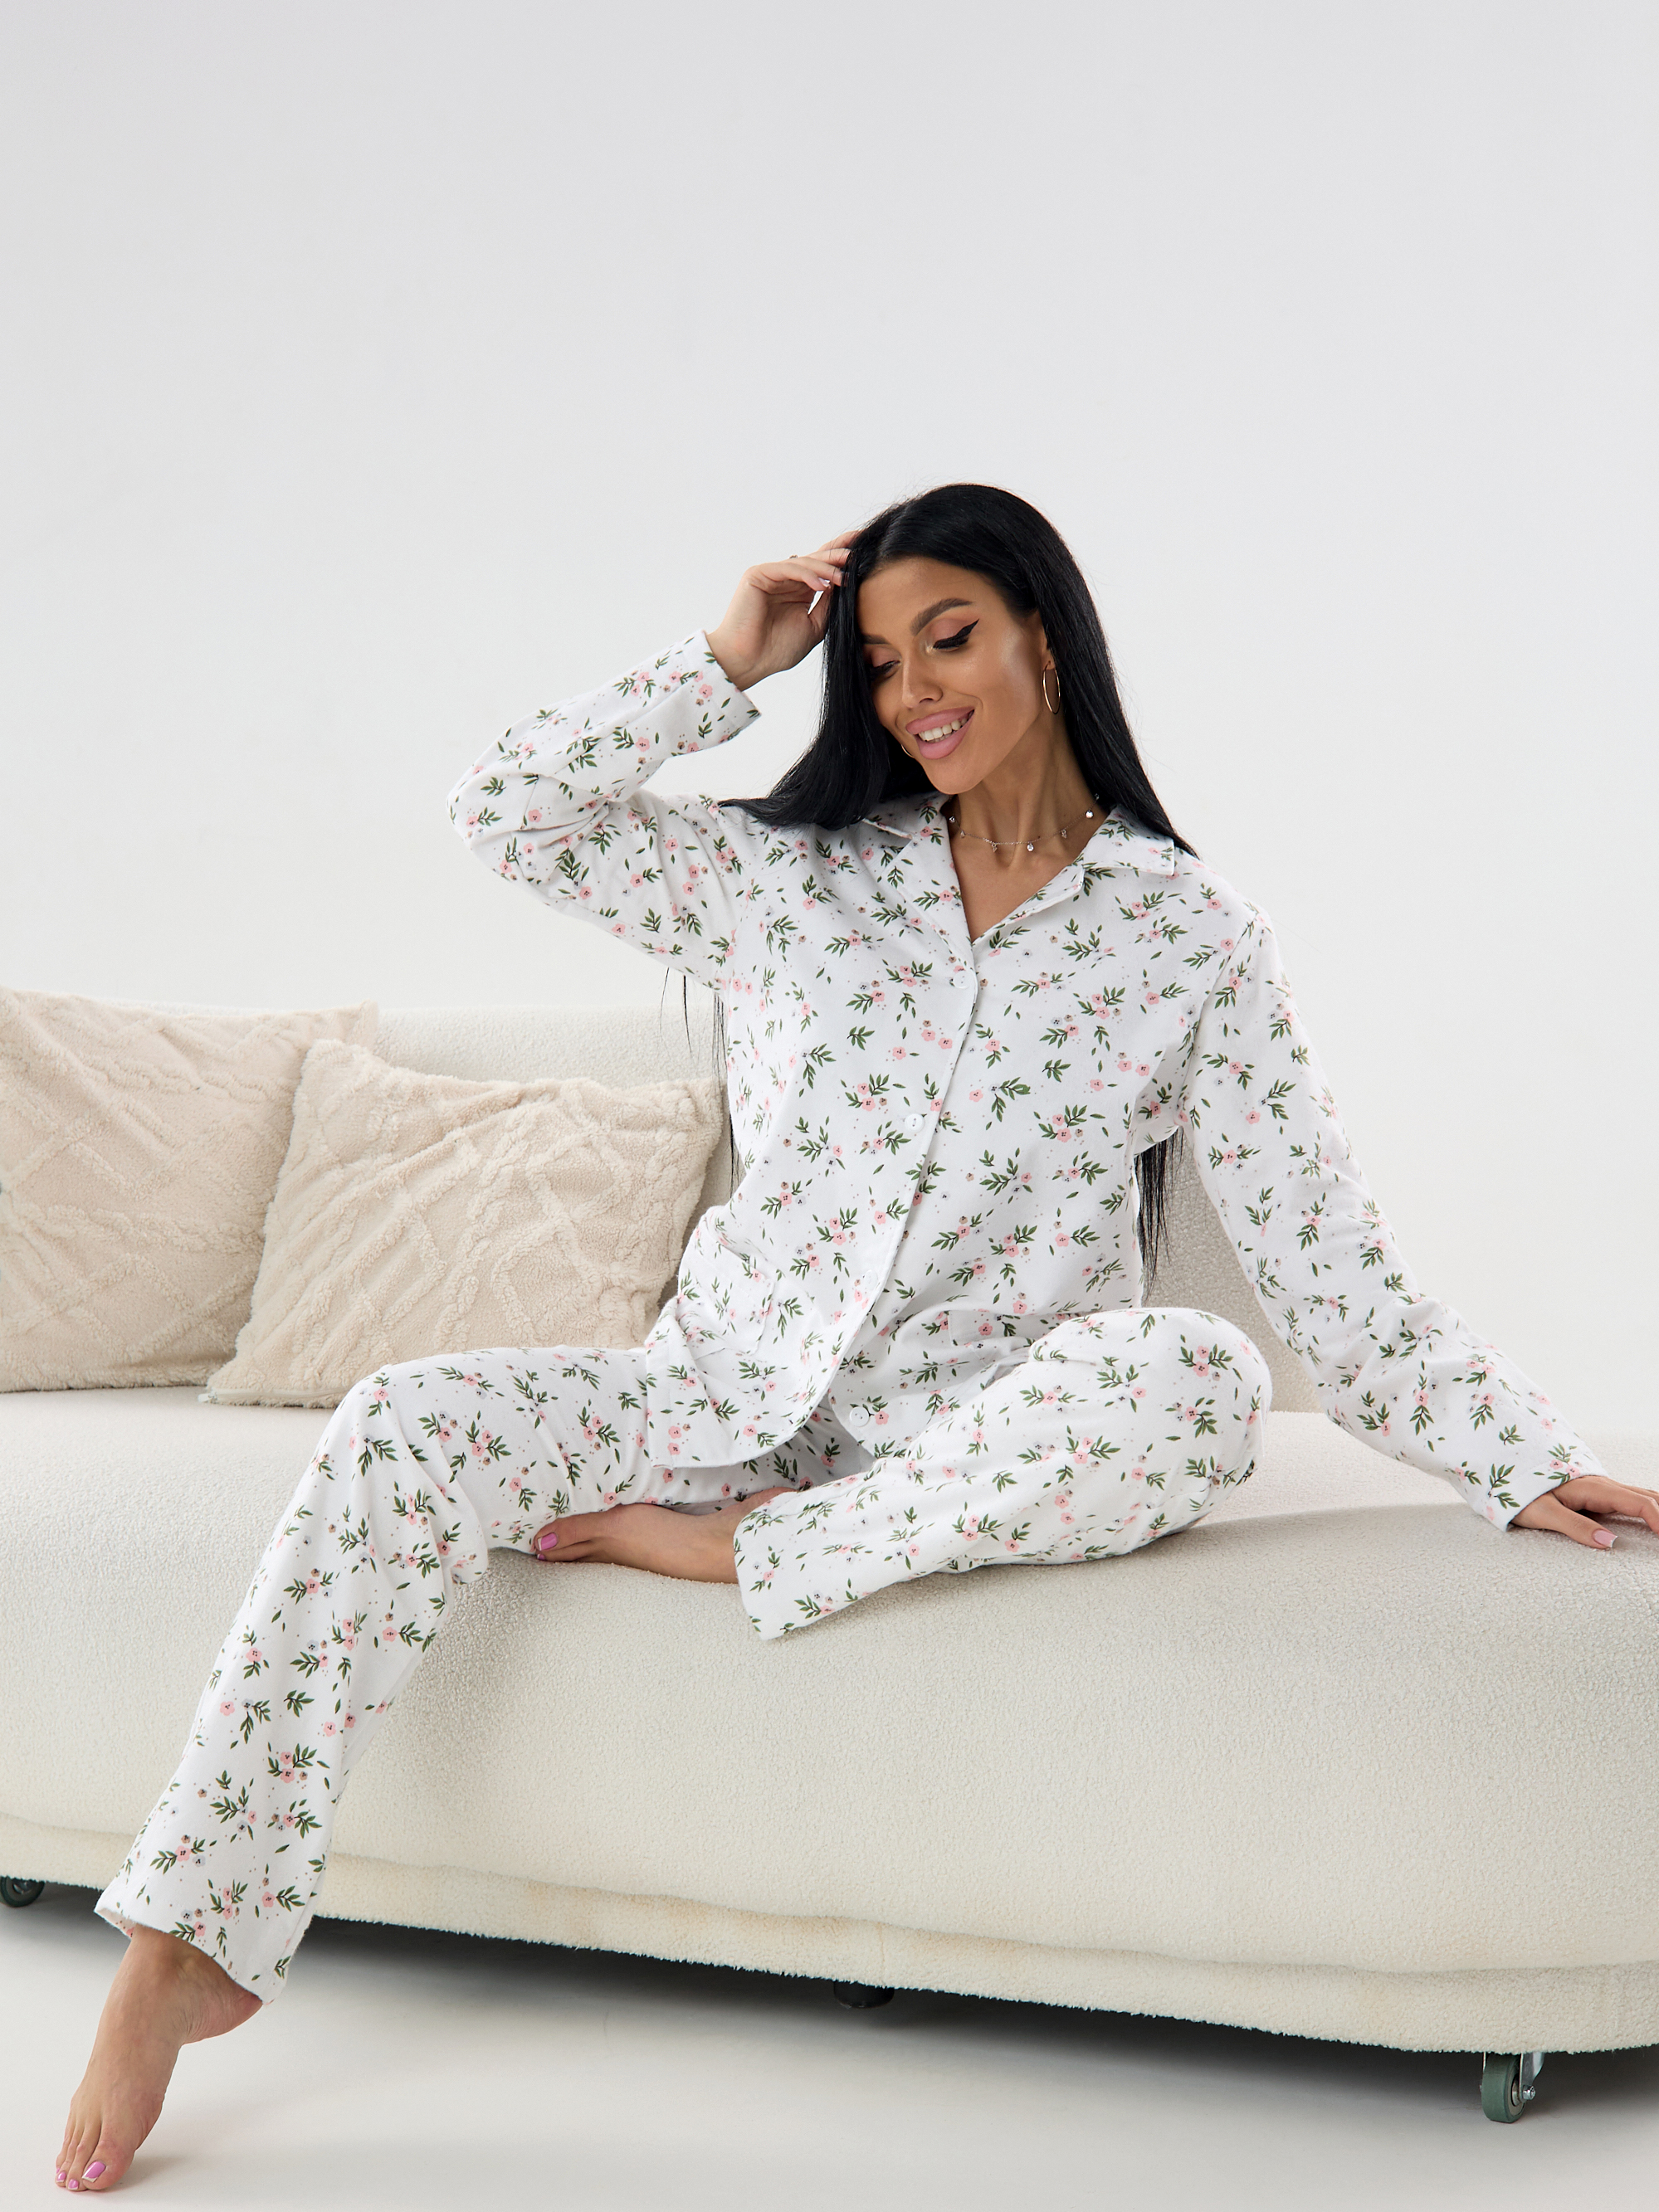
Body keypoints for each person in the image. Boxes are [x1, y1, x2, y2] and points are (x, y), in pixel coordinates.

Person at [54, 484, 1657, 2191]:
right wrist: (725, 659)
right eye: (881, 662)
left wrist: (1517, 1457)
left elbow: (1328, 1265)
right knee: (401, 1418)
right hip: (706, 1399)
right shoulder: (798, 880)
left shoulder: (1186, 936)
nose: (913, 691)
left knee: (1198, 1378)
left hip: (969, 1441)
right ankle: (189, 1940)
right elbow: (507, 811)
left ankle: (755, 1551)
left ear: (1045, 633)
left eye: (948, 638)